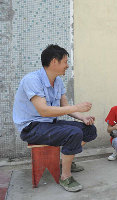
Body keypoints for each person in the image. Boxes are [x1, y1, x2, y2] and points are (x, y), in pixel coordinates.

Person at [13, 44, 97, 192]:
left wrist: (82, 118)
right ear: (54, 62)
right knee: (74, 133)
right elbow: (44, 111)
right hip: (32, 127)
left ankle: (66, 160)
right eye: (65, 61)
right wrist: (77, 107)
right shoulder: (32, 80)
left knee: (89, 130)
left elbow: (65, 107)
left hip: (49, 123)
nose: (67, 65)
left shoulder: (57, 81)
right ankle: (65, 176)